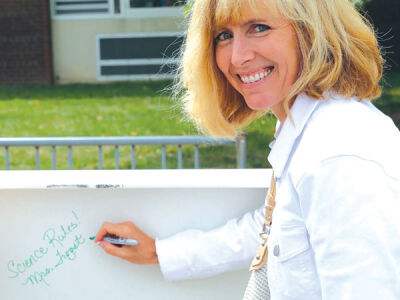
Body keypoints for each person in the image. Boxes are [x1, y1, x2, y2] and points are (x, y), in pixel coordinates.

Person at [94, 0, 400, 298]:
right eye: (223, 36)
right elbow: (273, 227)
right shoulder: (307, 129)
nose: (237, 57)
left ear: (312, 32)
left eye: (259, 28)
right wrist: (160, 252)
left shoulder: (338, 156)